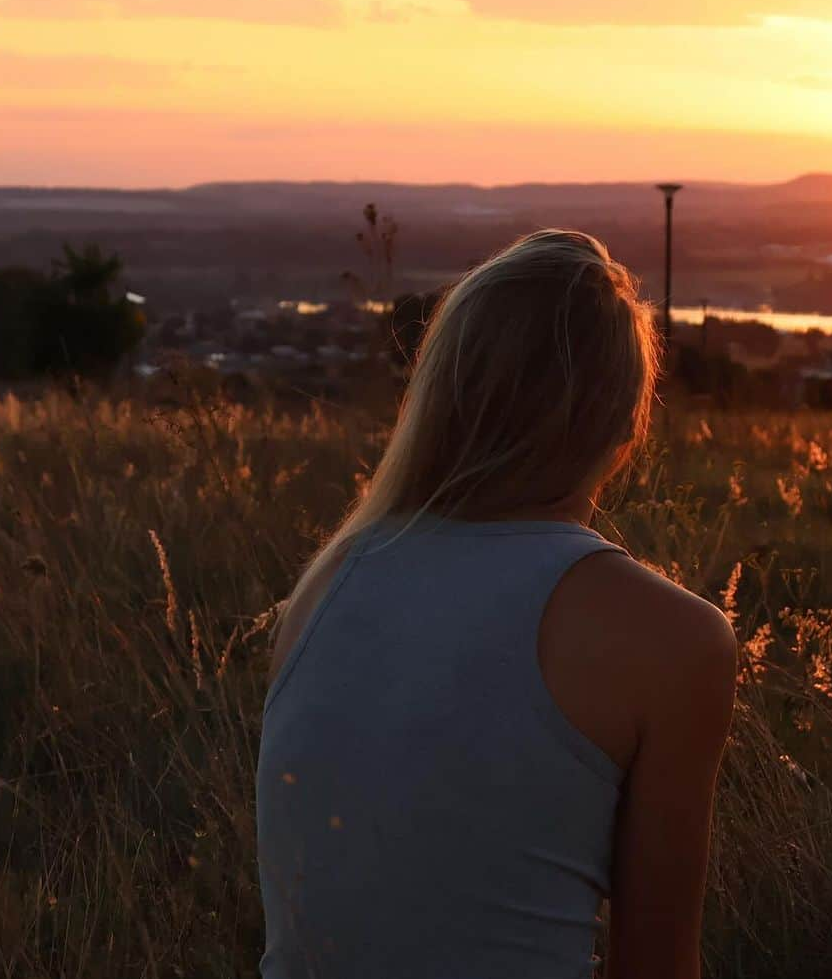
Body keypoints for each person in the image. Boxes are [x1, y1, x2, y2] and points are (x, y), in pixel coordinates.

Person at [257, 229, 737, 979]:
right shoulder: (673, 639)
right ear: (623, 431)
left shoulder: (327, 581)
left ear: (439, 396)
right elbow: (658, 964)